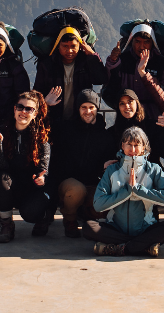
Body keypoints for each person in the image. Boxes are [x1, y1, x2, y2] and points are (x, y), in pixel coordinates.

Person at [85, 126, 164, 257]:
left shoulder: (154, 169)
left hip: (145, 229)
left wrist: (139, 190)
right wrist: (127, 191)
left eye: (137, 145)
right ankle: (142, 247)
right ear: (122, 146)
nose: (133, 150)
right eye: (129, 144)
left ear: (144, 147)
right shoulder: (112, 170)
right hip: (116, 229)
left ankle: (119, 248)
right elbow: (98, 204)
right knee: (89, 227)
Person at [45, 89, 115, 238]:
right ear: (78, 109)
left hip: (92, 183)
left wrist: (102, 169)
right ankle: (70, 220)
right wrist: (46, 106)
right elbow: (44, 127)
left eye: (91, 107)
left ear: (97, 109)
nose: (87, 111)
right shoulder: (66, 129)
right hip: (68, 184)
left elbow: (107, 164)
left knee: (104, 202)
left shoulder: (105, 136)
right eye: (83, 107)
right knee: (77, 190)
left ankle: (86, 214)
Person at [0, 91, 52, 243]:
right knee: (0, 178)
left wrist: (42, 178)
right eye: (20, 107)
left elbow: (44, 168)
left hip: (31, 188)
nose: (23, 112)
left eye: (29, 109)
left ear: (35, 113)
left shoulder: (41, 137)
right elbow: (0, 166)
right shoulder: (2, 132)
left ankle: (43, 216)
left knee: (30, 213)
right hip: (11, 187)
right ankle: (6, 224)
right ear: (14, 109)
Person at [102, 24, 164, 127]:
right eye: (137, 41)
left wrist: (156, 85)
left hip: (154, 118)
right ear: (131, 41)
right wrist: (112, 62)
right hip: (128, 118)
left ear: (152, 42)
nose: (141, 46)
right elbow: (109, 85)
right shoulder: (122, 61)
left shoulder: (162, 63)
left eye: (146, 42)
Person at [32, 27, 107, 130]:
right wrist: (44, 102)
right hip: (53, 120)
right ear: (58, 46)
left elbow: (100, 79)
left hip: (79, 121)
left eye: (73, 46)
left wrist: (92, 55)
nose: (69, 50)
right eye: (65, 46)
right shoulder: (47, 65)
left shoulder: (85, 62)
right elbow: (37, 92)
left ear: (80, 46)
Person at [108, 89, 164, 169]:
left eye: (130, 102)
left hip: (150, 175)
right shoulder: (112, 132)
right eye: (122, 103)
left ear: (137, 104)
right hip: (122, 177)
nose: (127, 106)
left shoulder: (152, 126)